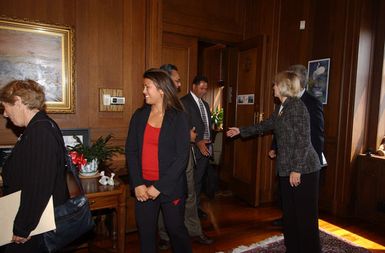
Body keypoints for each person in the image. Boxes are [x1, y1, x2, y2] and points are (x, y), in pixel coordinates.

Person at [227, 71, 322, 253]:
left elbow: (303, 140)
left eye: (275, 84)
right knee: (290, 215)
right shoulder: (281, 107)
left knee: (305, 218)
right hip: (287, 168)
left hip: (304, 169)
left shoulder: (297, 107)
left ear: (283, 86)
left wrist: (297, 170)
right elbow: (266, 125)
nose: (273, 87)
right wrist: (241, 130)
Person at [125, 68, 192, 253]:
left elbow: (181, 158)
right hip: (143, 188)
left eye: (147, 87)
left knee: (175, 230)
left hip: (170, 187)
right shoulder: (139, 116)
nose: (144, 91)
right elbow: (130, 151)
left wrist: (159, 187)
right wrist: (137, 183)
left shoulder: (179, 117)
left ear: (161, 89)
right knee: (146, 234)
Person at [0, 80, 69, 253]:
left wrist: (23, 227)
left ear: (17, 101)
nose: (5, 115)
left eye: (4, 107)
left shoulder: (41, 132)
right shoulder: (38, 127)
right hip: (34, 220)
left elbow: (39, 186)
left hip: (35, 225)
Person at [157, 64, 213, 250]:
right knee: (163, 195)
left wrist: (189, 137)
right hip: (165, 159)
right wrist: (187, 136)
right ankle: (165, 236)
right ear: (165, 80)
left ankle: (194, 231)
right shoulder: (154, 105)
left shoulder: (178, 103)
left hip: (186, 155)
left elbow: (185, 129)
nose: (180, 85)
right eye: (177, 80)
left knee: (190, 193)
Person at [269, 64, 324, 227]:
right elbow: (280, 127)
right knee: (289, 201)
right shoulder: (285, 104)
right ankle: (288, 220)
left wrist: (303, 166)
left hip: (305, 163)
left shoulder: (311, 103)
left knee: (305, 211)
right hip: (288, 160)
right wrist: (275, 147)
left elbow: (316, 135)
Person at [180, 75, 212, 220]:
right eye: (201, 88)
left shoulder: (204, 104)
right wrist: (197, 141)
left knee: (199, 180)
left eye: (206, 88)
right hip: (192, 148)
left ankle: (195, 209)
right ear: (193, 86)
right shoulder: (183, 102)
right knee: (189, 183)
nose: (204, 91)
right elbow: (182, 127)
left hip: (205, 148)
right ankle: (187, 212)